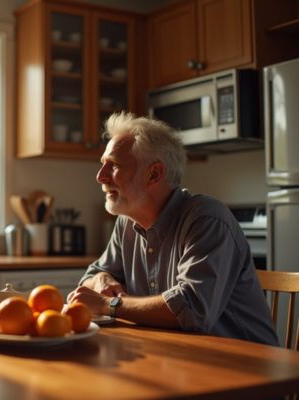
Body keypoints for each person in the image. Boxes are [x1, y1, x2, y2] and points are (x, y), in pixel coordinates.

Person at [68, 112, 279, 346]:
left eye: (115, 165)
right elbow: (89, 280)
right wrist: (101, 279)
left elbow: (191, 309)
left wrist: (108, 305)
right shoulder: (127, 222)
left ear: (154, 174)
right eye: (102, 164)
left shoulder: (207, 219)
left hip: (248, 366)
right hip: (176, 357)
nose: (100, 176)